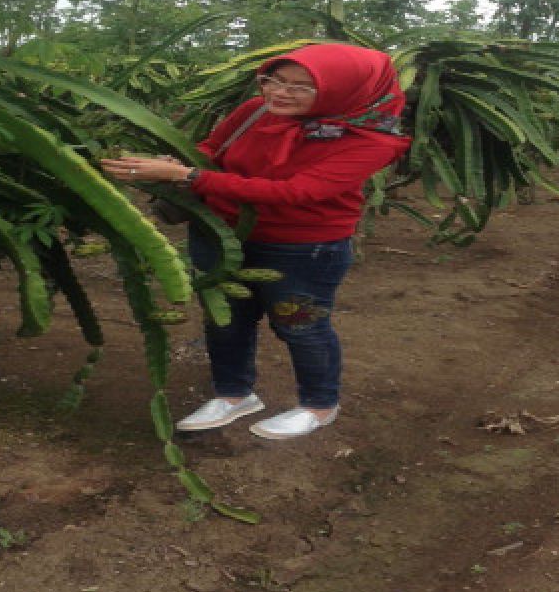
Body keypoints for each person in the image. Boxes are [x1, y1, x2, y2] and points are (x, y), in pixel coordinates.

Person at [100, 43, 411, 439]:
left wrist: (188, 179)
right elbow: (213, 149)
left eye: (301, 87)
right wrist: (183, 163)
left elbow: (296, 192)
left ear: (340, 89)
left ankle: (319, 405)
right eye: (273, 80)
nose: (280, 93)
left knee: (301, 324)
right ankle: (233, 395)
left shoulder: (371, 141)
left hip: (303, 246)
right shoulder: (254, 111)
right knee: (225, 319)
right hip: (221, 231)